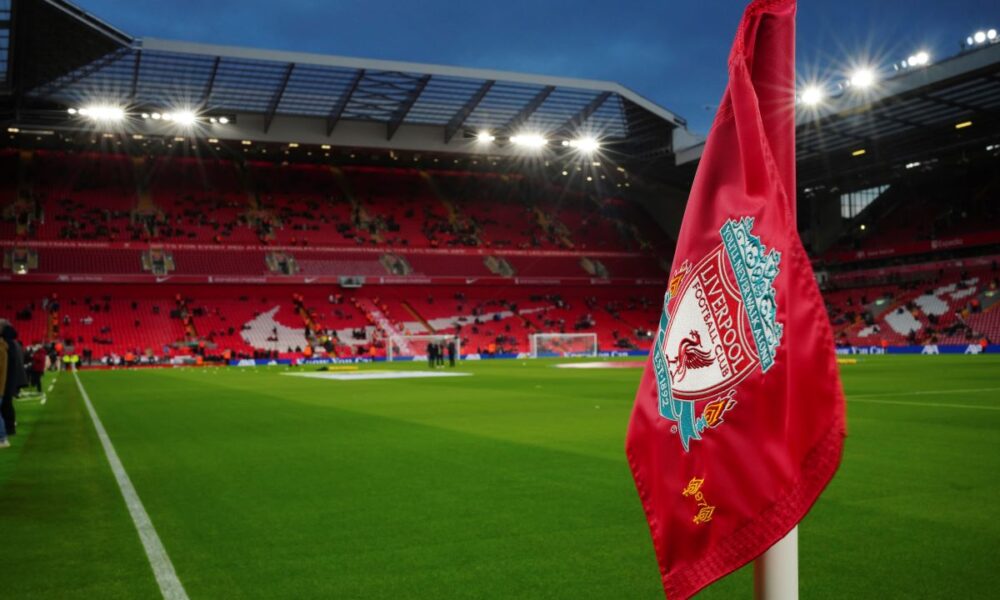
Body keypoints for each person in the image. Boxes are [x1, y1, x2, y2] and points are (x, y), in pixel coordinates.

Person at [1, 321, 28, 440]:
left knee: (5, 404)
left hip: (6, 378)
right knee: (7, 404)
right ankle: (9, 428)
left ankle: (7, 430)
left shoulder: (7, 343)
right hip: (11, 377)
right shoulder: (13, 342)